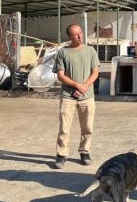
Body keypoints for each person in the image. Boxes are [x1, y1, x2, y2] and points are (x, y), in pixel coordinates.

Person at [52, 24, 99, 169]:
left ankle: (85, 151)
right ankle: (61, 154)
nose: (79, 36)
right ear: (69, 37)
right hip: (68, 96)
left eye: (80, 33)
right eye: (75, 34)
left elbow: (95, 72)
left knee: (87, 127)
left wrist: (84, 87)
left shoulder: (90, 51)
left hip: (87, 96)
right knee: (64, 128)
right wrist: (77, 86)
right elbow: (61, 76)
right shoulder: (63, 52)